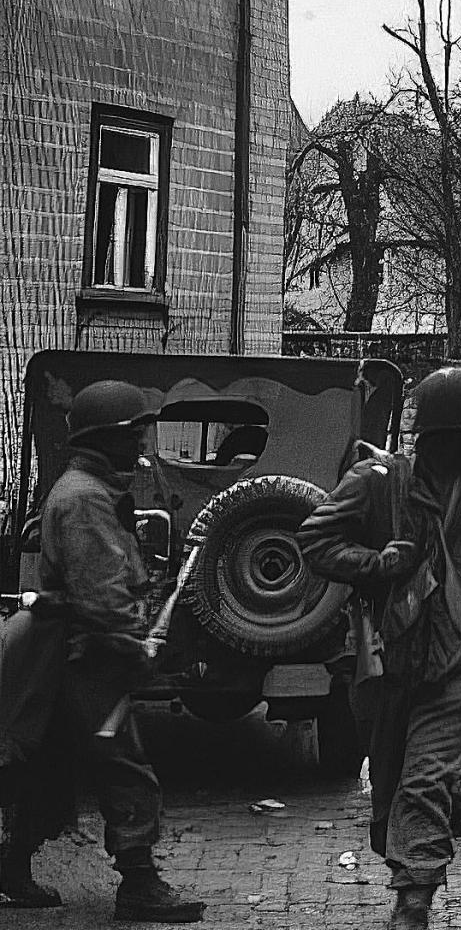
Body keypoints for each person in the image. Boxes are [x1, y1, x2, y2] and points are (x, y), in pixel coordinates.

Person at [298, 367, 461, 930]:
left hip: (454, 666)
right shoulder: (377, 482)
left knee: (426, 779)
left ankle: (414, 900)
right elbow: (314, 539)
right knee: (388, 781)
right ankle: (407, 862)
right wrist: (377, 564)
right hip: (386, 663)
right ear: (451, 433)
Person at [0, 380, 206, 922]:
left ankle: (11, 864)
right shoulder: (86, 498)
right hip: (89, 657)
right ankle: (138, 882)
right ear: (105, 437)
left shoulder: (87, 489)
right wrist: (132, 649)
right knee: (123, 767)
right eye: (133, 432)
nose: (141, 442)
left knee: (47, 766)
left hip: (71, 652)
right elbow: (100, 592)